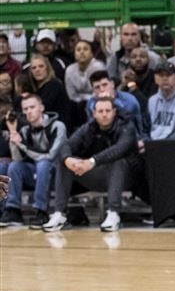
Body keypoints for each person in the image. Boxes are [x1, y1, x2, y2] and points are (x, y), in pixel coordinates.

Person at [44, 96, 137, 233]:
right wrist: (68, 159)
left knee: (118, 161)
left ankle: (113, 213)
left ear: (114, 112)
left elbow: (119, 150)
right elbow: (66, 145)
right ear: (94, 113)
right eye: (100, 111)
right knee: (65, 162)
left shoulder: (127, 127)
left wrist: (92, 161)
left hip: (128, 177)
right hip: (99, 175)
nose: (104, 114)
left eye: (107, 110)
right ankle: (59, 214)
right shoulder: (88, 127)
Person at [0, 94, 65, 228]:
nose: (29, 111)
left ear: (41, 107)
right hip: (35, 174)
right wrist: (13, 132)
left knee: (43, 164)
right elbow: (18, 158)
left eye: (32, 107)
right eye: (26, 109)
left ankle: (41, 211)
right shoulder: (25, 130)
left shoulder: (57, 126)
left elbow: (50, 155)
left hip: (58, 175)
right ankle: (13, 211)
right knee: (14, 166)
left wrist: (23, 144)